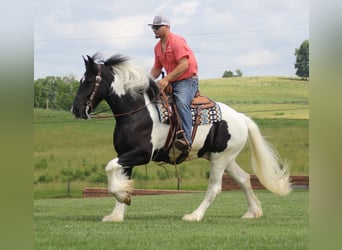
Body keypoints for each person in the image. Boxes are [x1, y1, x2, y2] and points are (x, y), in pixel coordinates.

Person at [148, 15, 199, 152]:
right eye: (153, 27)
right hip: (172, 81)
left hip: (187, 81)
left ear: (167, 27)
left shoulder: (177, 41)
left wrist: (166, 80)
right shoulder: (158, 47)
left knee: (181, 102)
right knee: (151, 99)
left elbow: (184, 65)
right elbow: (157, 68)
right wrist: (145, 81)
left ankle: (186, 139)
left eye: (157, 27)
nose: (154, 30)